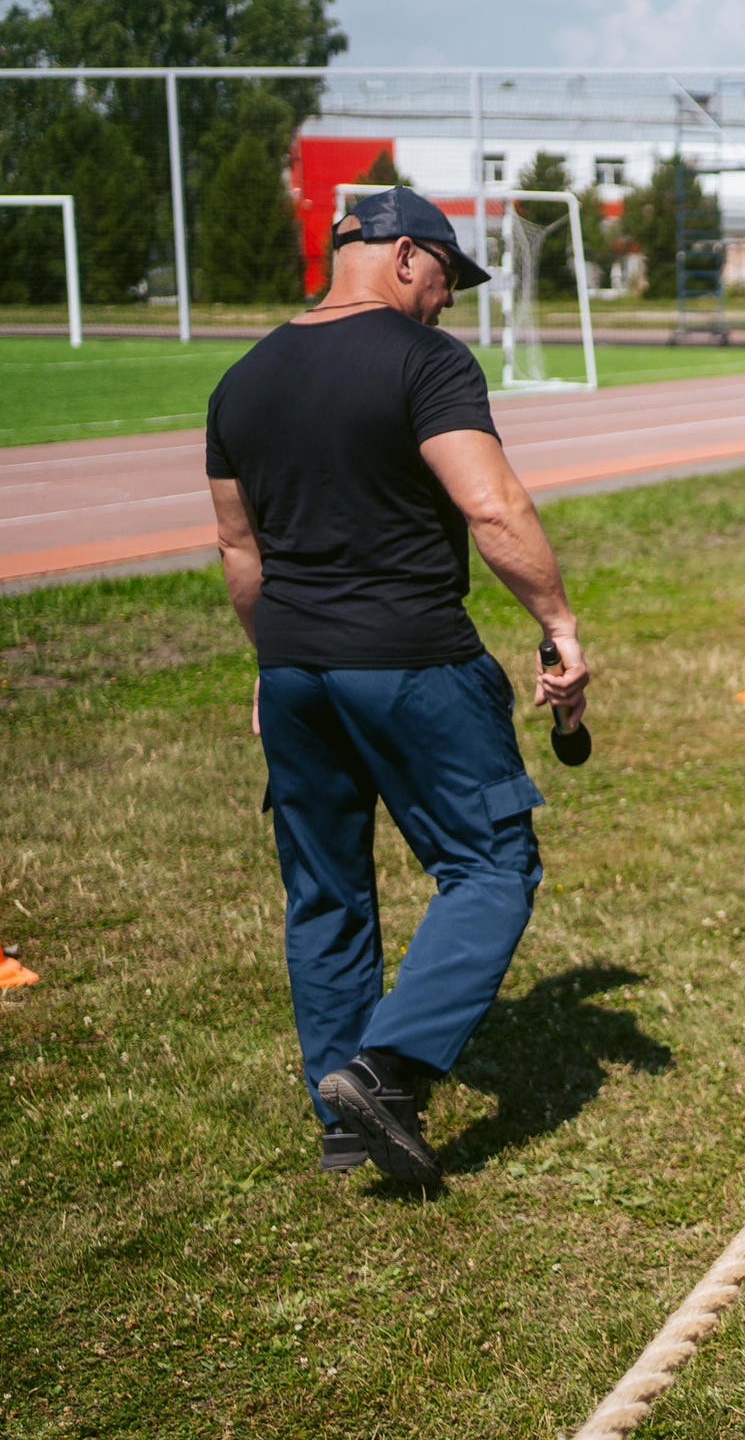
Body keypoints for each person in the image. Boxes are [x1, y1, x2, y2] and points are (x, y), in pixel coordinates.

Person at [205, 186, 590, 1186]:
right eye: (448, 281)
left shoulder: (241, 381)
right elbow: (492, 505)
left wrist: (269, 662)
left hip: (296, 667)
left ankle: (341, 1123)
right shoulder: (426, 362)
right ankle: (386, 1073)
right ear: (407, 254)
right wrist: (557, 626)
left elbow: (238, 551)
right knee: (492, 866)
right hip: (412, 660)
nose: (447, 303)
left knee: (324, 892)